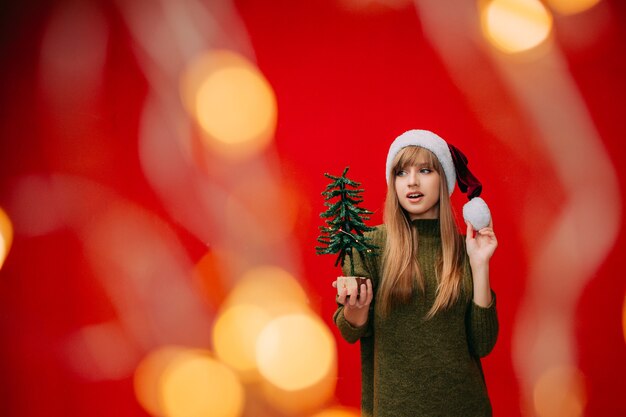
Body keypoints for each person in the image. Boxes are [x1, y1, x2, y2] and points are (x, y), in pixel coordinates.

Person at [332, 129, 499, 417]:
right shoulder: (369, 245)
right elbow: (350, 330)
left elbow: (483, 344)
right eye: (401, 172)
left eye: (425, 170)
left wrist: (480, 263)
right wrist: (355, 306)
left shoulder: (465, 249)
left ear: (443, 178)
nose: (412, 181)